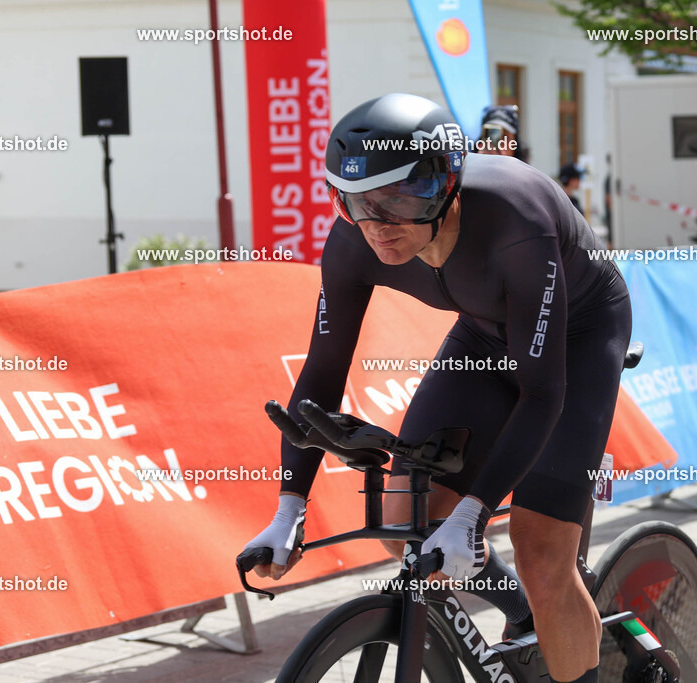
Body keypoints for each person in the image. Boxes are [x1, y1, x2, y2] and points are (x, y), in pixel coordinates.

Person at [242, 93, 631, 683]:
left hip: (577, 334)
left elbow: (544, 392)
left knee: (542, 553)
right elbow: (321, 376)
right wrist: (288, 507)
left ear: (445, 183)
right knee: (407, 523)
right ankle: (521, 613)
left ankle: (549, 608)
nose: (378, 225)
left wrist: (474, 513)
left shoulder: (514, 220)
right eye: (355, 202)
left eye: (399, 199)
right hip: (483, 335)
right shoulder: (352, 242)